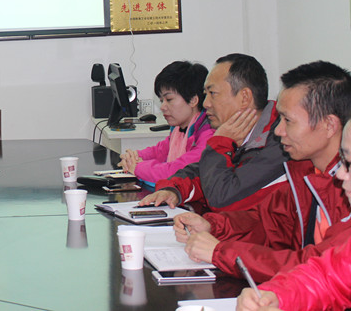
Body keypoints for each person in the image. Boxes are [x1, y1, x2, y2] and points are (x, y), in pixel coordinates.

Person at [174, 60, 351, 282]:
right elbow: (267, 222)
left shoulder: (345, 188)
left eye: (288, 120)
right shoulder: (305, 171)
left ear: (329, 125)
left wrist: (222, 252)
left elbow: (319, 267)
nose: (278, 130)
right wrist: (213, 226)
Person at [140, 53, 286, 213]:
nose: (205, 103)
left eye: (213, 94)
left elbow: (222, 198)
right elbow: (202, 172)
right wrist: (173, 190)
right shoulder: (241, 133)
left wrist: (220, 143)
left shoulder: (281, 144)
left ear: (244, 97)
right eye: (205, 94)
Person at [236, 119, 351, 311]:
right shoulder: (304, 174)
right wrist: (276, 295)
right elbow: (327, 278)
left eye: (348, 163)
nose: (340, 174)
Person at [118, 61, 214, 186]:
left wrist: (137, 167)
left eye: (169, 99)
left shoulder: (208, 135)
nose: (163, 107)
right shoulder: (179, 129)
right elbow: (159, 151)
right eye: (161, 100)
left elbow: (176, 171)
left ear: (193, 100)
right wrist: (133, 156)